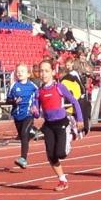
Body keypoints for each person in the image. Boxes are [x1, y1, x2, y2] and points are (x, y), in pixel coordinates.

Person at [34, 59, 84, 192]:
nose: (43, 74)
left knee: (61, 153)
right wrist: (34, 111)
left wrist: (80, 119)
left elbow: (74, 102)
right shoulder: (38, 92)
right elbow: (37, 114)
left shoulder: (59, 87)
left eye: (46, 71)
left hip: (61, 123)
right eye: (41, 71)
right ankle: (62, 180)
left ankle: (71, 134)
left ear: (52, 72)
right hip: (49, 125)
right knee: (51, 156)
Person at [6, 63, 39, 169]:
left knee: (24, 133)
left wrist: (36, 107)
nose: (19, 73)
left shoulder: (33, 86)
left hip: (28, 114)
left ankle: (23, 159)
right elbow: (8, 100)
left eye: (22, 71)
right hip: (17, 115)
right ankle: (33, 132)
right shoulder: (13, 86)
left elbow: (39, 96)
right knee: (22, 136)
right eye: (18, 71)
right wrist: (14, 101)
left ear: (28, 74)